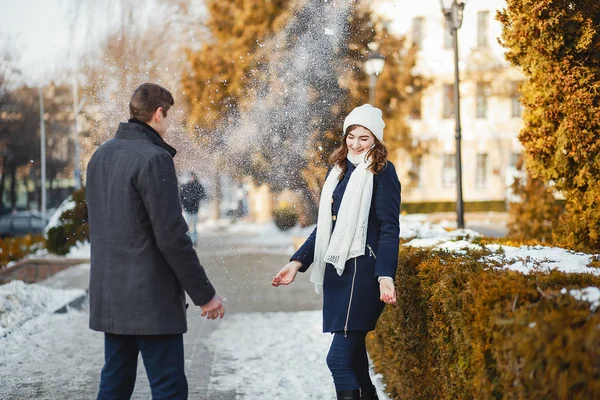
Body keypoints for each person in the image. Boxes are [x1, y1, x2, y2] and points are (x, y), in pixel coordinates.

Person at [86, 83, 225, 400]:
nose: (170, 123)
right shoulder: (153, 159)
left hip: (111, 296)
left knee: (115, 383)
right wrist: (205, 295)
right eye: (169, 115)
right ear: (159, 113)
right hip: (151, 300)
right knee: (169, 388)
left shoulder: (100, 156)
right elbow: (173, 237)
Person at [272, 104, 401, 400]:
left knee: (338, 360)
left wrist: (385, 276)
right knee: (354, 361)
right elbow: (326, 229)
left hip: (363, 274)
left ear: (376, 140)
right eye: (351, 136)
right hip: (338, 273)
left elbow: (389, 228)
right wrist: (297, 263)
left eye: (364, 138)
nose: (355, 144)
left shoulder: (382, 172)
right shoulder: (340, 171)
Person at [180, 172, 206, 243]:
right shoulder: (185, 186)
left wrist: (195, 200)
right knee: (187, 226)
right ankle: (188, 240)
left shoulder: (198, 186)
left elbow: (203, 195)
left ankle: (194, 240)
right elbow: (181, 197)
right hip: (187, 209)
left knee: (194, 226)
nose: (192, 178)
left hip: (195, 209)